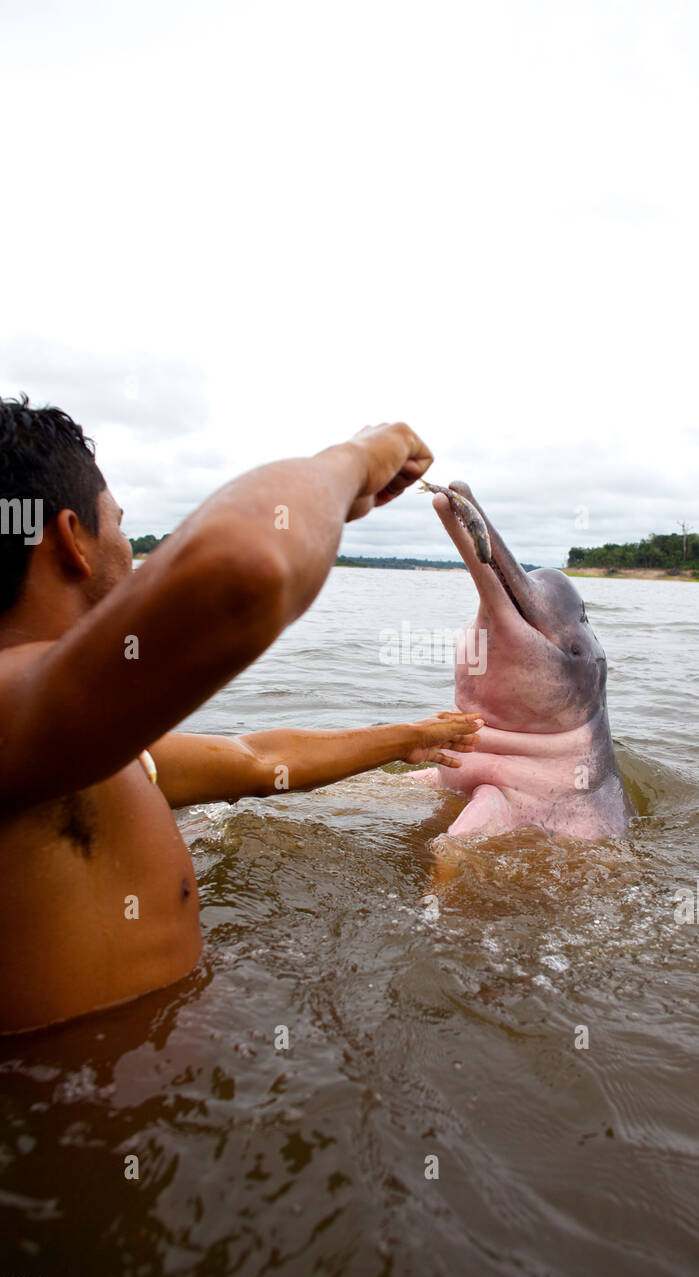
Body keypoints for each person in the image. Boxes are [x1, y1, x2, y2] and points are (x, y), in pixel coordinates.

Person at [0, 397, 482, 1035]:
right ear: (71, 540)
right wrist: (353, 463)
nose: (130, 545)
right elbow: (245, 568)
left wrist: (409, 737)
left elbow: (261, 762)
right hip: (114, 1121)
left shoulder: (72, 734)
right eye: (117, 523)